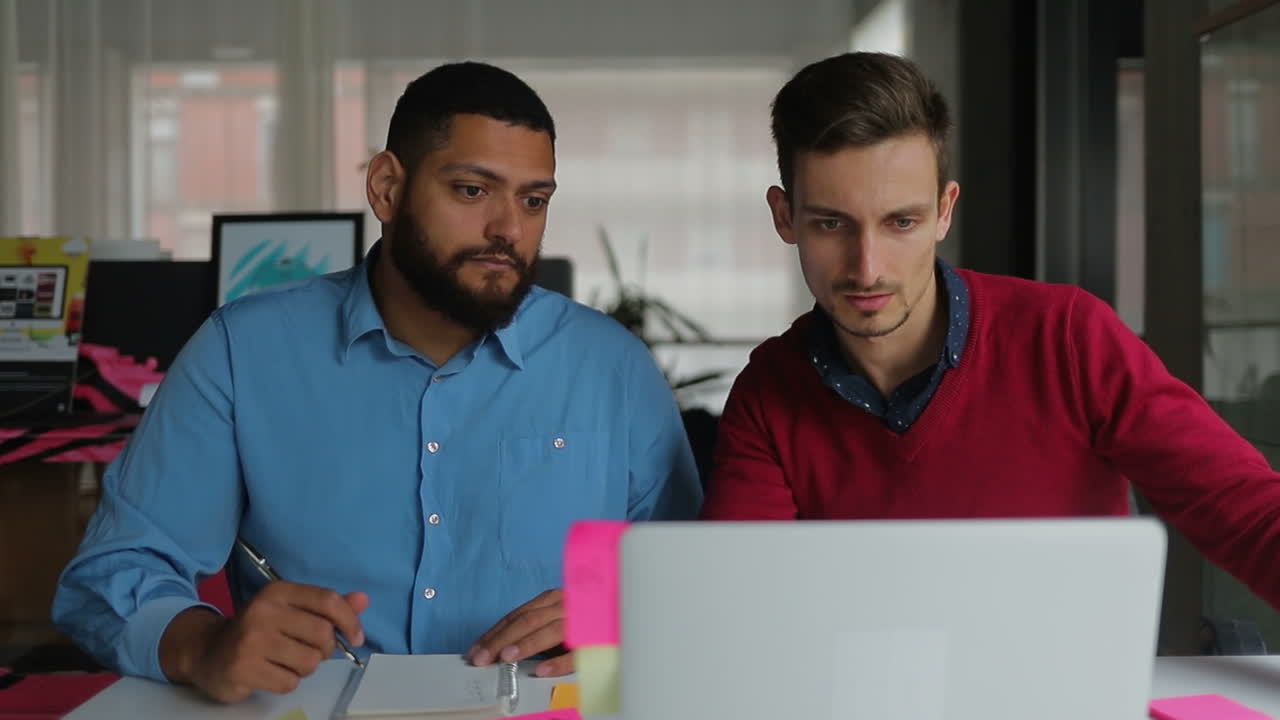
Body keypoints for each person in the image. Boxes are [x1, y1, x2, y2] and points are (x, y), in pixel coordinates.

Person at [54, 62, 701, 703]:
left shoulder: (612, 369)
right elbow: (112, 575)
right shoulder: (243, 353)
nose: (509, 229)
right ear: (387, 187)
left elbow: (692, 583)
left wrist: (620, 619)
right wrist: (203, 646)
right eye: (473, 191)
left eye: (533, 200)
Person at [700, 52, 1280, 608]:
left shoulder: (1068, 339)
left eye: (901, 222)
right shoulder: (770, 392)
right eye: (832, 224)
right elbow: (737, 602)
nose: (867, 266)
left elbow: (1246, 511)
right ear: (785, 217)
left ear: (944, 211)